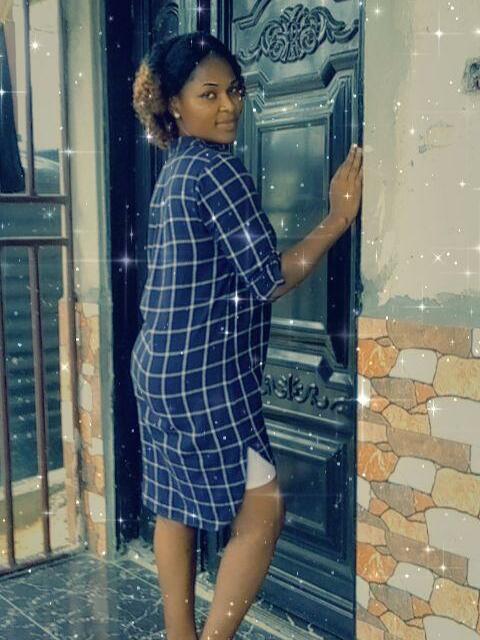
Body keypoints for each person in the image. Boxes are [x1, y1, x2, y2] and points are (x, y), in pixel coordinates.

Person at [130, 31, 362, 640]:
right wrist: (338, 216)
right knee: (263, 514)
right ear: (174, 104)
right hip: (206, 376)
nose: (229, 106)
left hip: (158, 366)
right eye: (208, 94)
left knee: (175, 507)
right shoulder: (216, 170)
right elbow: (269, 279)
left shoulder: (176, 169)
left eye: (233, 91)